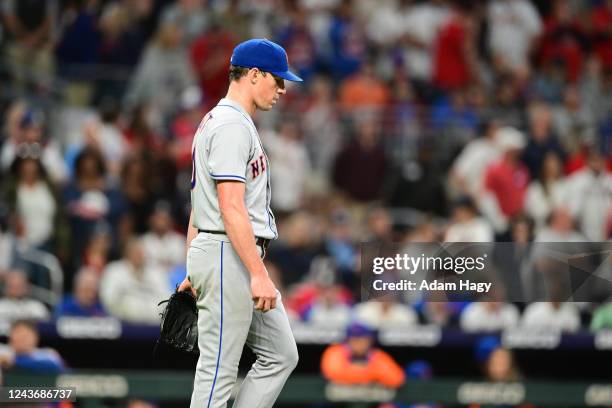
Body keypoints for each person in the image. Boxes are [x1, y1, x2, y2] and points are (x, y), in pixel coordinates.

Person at [177, 38, 303, 408]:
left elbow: (198, 204)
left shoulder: (223, 121)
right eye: (277, 79)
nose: (281, 89)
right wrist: (258, 273)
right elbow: (230, 207)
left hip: (225, 250)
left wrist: (191, 265)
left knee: (281, 353)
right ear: (253, 74)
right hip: (225, 252)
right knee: (218, 369)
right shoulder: (231, 125)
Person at [320, 322, 405, 388]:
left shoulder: (376, 355)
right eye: (355, 340)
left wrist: (351, 373)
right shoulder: (335, 351)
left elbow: (396, 379)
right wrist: (374, 375)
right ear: (348, 340)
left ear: (370, 340)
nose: (359, 344)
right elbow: (333, 373)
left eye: (363, 340)